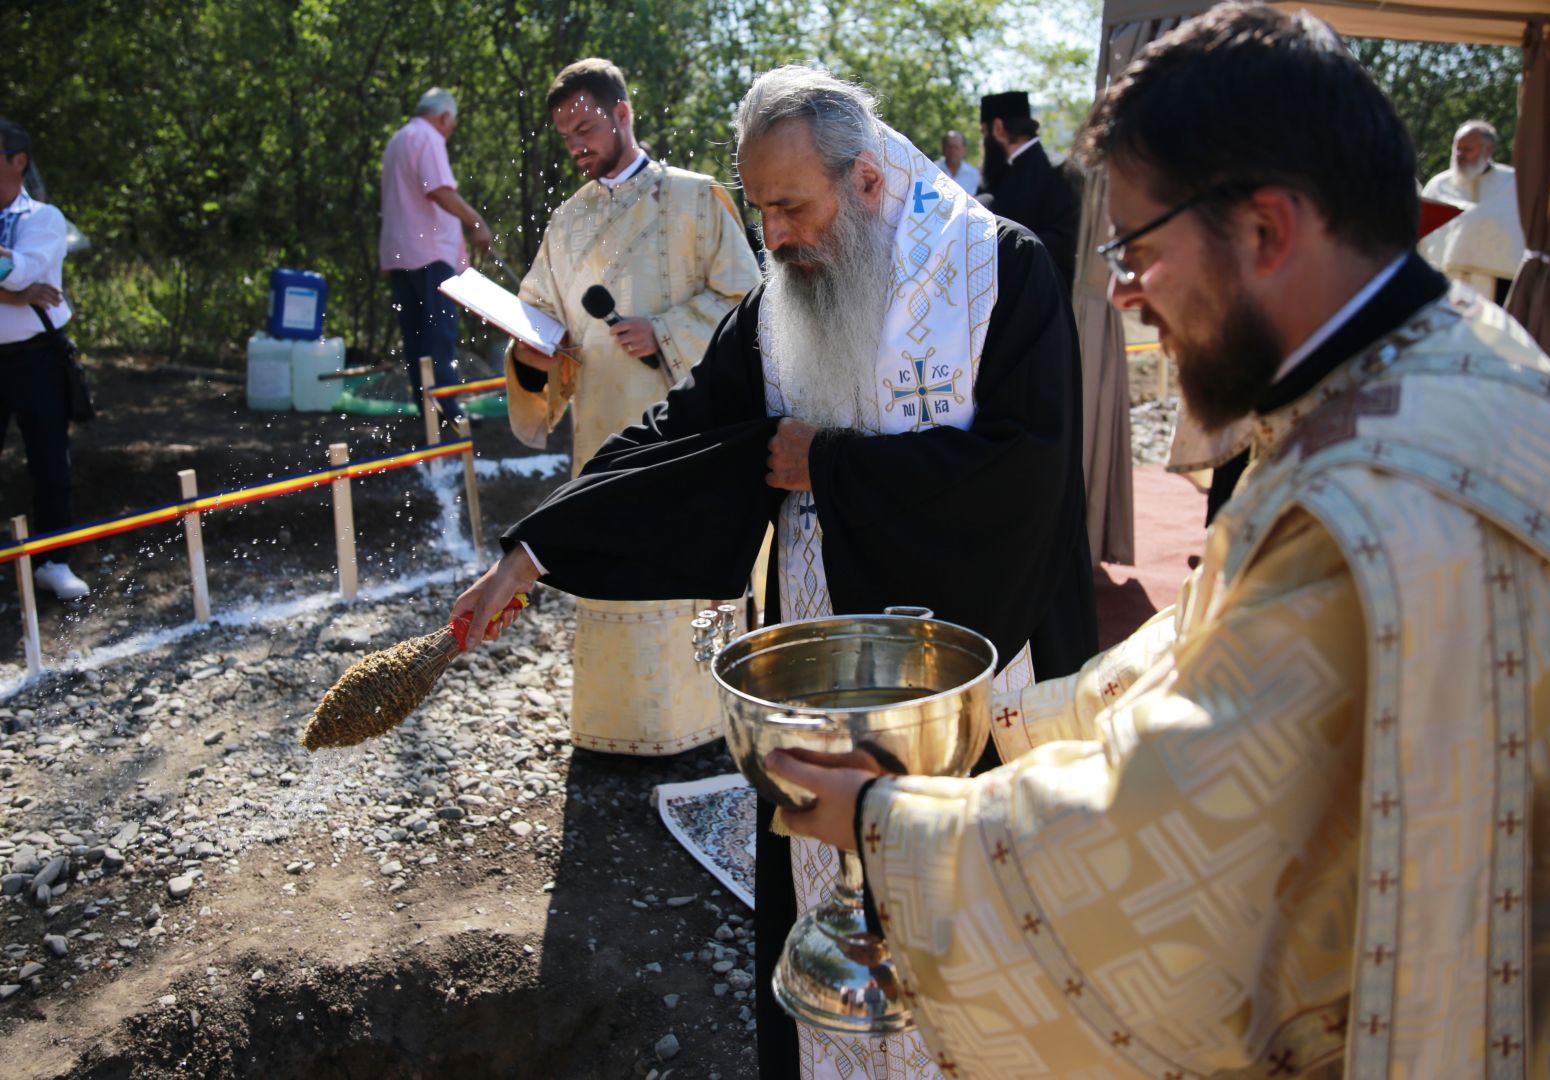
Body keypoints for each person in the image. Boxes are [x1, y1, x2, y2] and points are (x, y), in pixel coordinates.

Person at [771, 5, 1550, 1075]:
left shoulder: (1369, 502)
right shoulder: (1457, 359)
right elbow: (1223, 650)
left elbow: (1179, 861)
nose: (1123, 292)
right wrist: (1004, 717)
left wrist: (883, 824)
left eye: (1137, 248)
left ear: (1265, 230)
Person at [455, 66, 1098, 1079]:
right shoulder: (780, 300)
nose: (777, 237)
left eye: (794, 207)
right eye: (761, 210)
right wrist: (532, 551)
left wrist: (830, 467)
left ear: (868, 180)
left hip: (971, 690)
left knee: (972, 982)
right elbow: (684, 430)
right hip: (813, 678)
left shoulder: (997, 271)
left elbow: (1031, 474)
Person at [503, 58, 760, 756]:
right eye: (566, 136)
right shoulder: (566, 222)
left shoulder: (697, 199)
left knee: (696, 571)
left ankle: (714, 722)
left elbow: (749, 301)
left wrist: (666, 333)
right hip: (601, 433)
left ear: (622, 114)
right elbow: (541, 322)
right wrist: (530, 358)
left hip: (691, 433)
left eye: (586, 127)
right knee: (611, 563)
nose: (577, 145)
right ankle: (613, 733)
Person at [0, 119, 87, 600]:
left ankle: (54, 560)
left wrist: (13, 288)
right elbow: (15, 283)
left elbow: (20, 272)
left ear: (18, 161)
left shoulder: (43, 218)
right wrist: (12, 294)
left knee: (50, 460)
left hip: (36, 357)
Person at [378, 87, 491, 425]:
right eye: (451, 125)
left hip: (400, 254)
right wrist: (476, 222)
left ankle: (427, 414)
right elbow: (439, 190)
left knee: (416, 339)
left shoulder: (397, 140)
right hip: (429, 254)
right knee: (439, 337)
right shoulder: (428, 138)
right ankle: (448, 413)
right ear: (443, 117)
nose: (450, 132)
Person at [978, 91, 1081, 290]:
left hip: (1043, 291)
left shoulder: (1060, 170)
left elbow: (1066, 243)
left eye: (983, 133)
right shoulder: (1000, 172)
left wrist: (1005, 244)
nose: (983, 142)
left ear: (998, 128)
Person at [1419, 119, 1525, 304]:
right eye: (1457, 148)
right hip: (1446, 284)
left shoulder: (1512, 185)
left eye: (1468, 149)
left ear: (1488, 150)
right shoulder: (1438, 186)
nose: (1460, 155)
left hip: (1498, 284)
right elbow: (1422, 237)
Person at [933, 129, 979, 197]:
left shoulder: (974, 174)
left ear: (964, 150)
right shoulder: (933, 170)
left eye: (957, 148)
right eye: (950, 147)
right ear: (943, 148)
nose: (953, 151)